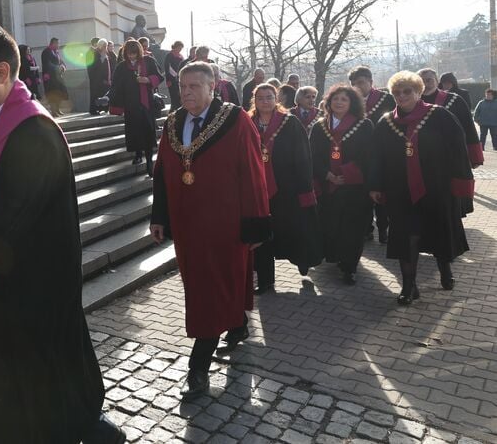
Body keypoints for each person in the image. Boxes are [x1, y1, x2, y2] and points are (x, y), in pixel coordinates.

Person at [0, 21, 125, 444]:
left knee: (35, 410)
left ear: (2, 72)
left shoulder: (34, 132)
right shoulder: (4, 122)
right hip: (14, 287)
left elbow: (7, 222)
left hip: (33, 289)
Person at [150, 62, 271, 400]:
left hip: (226, 226)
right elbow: (162, 173)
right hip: (188, 227)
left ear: (213, 86)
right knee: (205, 285)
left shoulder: (235, 121)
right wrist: (159, 216)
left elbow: (252, 172)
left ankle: (198, 368)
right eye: (182, 87)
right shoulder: (174, 123)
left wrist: (256, 223)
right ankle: (237, 324)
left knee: (212, 291)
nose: (186, 92)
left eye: (194, 86)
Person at [369, 71, 473, 305]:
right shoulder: (386, 122)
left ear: (419, 92)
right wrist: (375, 185)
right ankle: (409, 286)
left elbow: (458, 150)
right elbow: (375, 157)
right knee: (407, 237)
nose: (402, 96)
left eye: (408, 91)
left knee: (438, 232)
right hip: (400, 191)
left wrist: (462, 184)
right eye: (397, 92)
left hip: (437, 187)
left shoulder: (440, 116)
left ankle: (445, 270)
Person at [249, 84, 322, 294]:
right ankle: (265, 281)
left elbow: (303, 155)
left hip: (287, 188)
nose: (265, 101)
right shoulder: (247, 122)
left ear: (276, 99)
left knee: (292, 228)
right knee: (262, 235)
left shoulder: (289, 122)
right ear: (255, 100)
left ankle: (302, 260)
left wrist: (305, 187)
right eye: (260, 97)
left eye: (269, 97)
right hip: (257, 188)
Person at [310, 84, 374, 285]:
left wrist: (347, 174)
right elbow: (312, 155)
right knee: (331, 225)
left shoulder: (364, 125)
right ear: (329, 102)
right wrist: (327, 175)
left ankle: (350, 267)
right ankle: (336, 257)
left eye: (344, 99)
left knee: (353, 228)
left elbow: (369, 156)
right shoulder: (320, 126)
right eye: (335, 99)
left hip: (354, 187)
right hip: (327, 186)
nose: (339, 102)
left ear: (352, 103)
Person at [418, 68, 483, 216]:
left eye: (429, 80)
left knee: (451, 194)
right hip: (423, 158)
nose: (426, 84)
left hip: (452, 155)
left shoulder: (454, 100)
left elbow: (468, 127)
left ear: (437, 81)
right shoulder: (413, 102)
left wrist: (475, 156)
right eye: (422, 81)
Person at [348, 65, 396, 243]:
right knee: (362, 194)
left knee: (381, 194)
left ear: (371, 82)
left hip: (383, 154)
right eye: (354, 84)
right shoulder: (350, 101)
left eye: (361, 82)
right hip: (360, 156)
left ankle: (384, 228)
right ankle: (367, 228)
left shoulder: (387, 99)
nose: (358, 87)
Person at [109, 39, 163, 177]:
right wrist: (115, 103)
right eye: (129, 54)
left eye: (134, 54)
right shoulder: (122, 66)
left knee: (148, 132)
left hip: (146, 105)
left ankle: (150, 161)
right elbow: (116, 85)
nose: (132, 57)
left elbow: (159, 76)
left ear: (138, 52)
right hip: (131, 106)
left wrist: (148, 80)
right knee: (135, 132)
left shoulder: (149, 61)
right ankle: (138, 154)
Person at [41, 37, 68, 117]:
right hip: (50, 77)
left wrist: (63, 66)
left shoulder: (56, 52)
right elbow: (47, 64)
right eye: (57, 43)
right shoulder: (46, 51)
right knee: (52, 93)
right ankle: (53, 111)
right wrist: (57, 67)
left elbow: (60, 61)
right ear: (53, 43)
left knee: (59, 93)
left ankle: (57, 109)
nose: (58, 45)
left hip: (58, 76)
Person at [88, 38, 112, 115]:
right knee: (95, 95)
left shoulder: (104, 53)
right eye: (104, 46)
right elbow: (93, 66)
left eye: (106, 46)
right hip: (96, 79)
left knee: (103, 93)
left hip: (103, 79)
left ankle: (103, 108)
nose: (106, 47)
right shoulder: (95, 53)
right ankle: (94, 110)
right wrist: (101, 59)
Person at [164, 41, 185, 110]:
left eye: (181, 48)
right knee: (174, 98)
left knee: (179, 97)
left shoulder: (181, 56)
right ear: (175, 47)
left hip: (180, 80)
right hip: (172, 80)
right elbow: (168, 67)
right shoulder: (169, 55)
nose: (180, 49)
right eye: (179, 48)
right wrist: (176, 75)